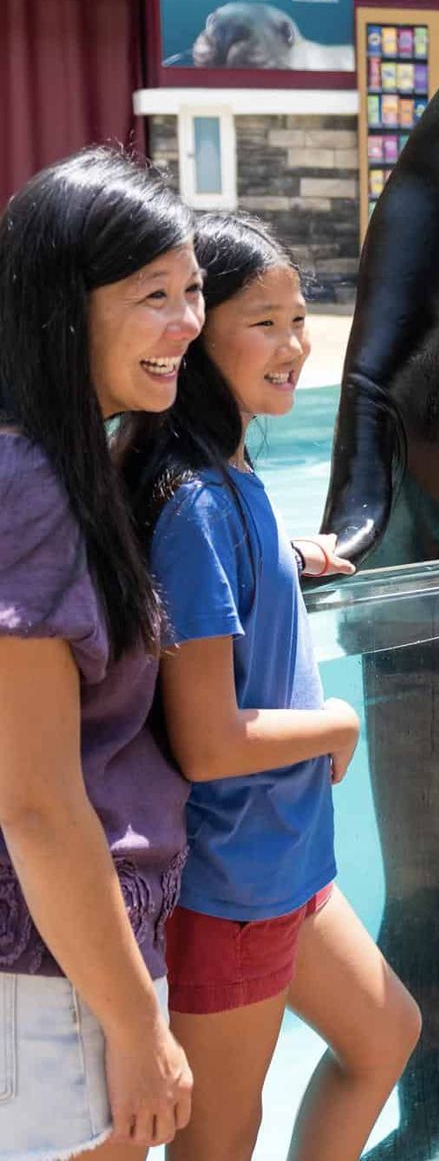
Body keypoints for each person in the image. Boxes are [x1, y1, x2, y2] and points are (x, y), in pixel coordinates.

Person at [116, 212, 421, 1161]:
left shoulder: (226, 477)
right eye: (263, 323)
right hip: (232, 880)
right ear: (198, 338)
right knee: (220, 1137)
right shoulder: (196, 502)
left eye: (299, 319)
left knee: (385, 1034)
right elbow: (209, 741)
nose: (294, 345)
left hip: (284, 864)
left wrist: (288, 557)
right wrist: (333, 724)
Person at [0, 148, 203, 1159]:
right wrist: (136, 1026)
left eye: (192, 290)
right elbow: (36, 803)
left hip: (68, 954)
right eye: (153, 295)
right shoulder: (31, 484)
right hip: (54, 974)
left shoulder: (59, 460)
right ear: (61, 308)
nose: (188, 322)